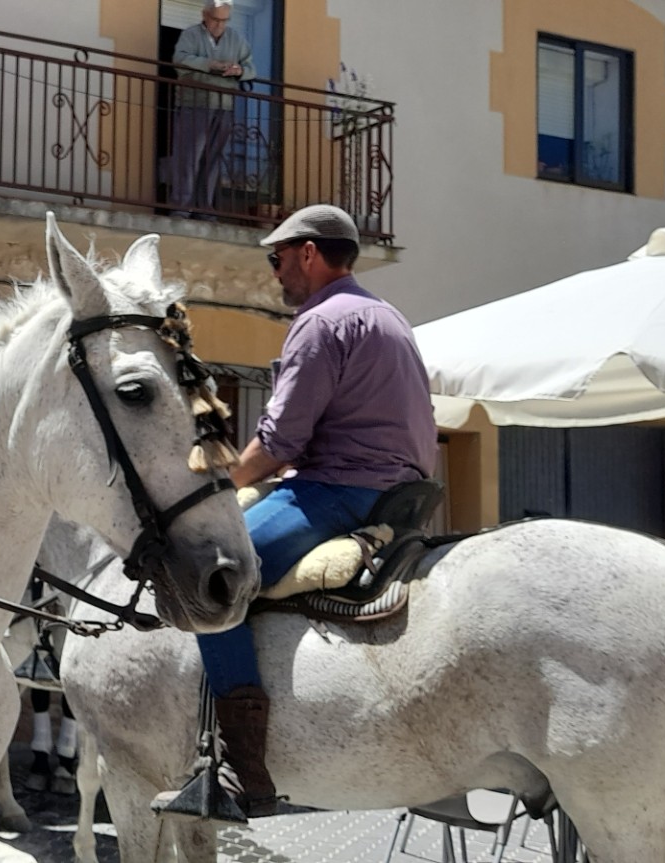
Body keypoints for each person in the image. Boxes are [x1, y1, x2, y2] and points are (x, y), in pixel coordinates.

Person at [155, 204, 437, 822]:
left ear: (308, 253)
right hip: (401, 496)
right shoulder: (388, 318)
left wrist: (214, 485)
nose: (275, 273)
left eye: (276, 258)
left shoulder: (321, 321)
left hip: (338, 492)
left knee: (210, 578)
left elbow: (279, 443)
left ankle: (243, 772)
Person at [167, 0, 255, 216]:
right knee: (187, 158)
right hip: (194, 104)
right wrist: (210, 64)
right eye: (215, 19)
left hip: (224, 106)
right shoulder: (191, 35)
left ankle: (204, 208)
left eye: (224, 20)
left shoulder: (236, 38)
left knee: (213, 159)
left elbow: (251, 68)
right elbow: (179, 59)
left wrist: (238, 71)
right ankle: (181, 208)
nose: (219, 25)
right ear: (205, 15)